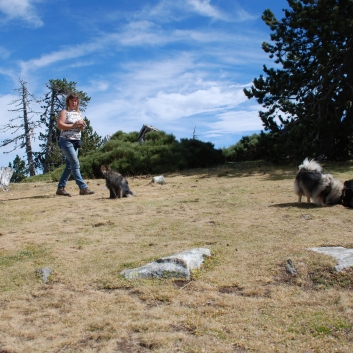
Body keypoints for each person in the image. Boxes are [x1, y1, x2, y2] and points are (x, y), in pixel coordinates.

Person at [56, 92, 94, 197]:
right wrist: (74, 125)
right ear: (68, 101)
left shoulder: (78, 113)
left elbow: (79, 128)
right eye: (72, 100)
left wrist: (82, 126)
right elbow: (60, 125)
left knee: (69, 166)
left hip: (76, 141)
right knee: (75, 163)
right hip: (66, 140)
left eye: (76, 101)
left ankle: (60, 188)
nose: (74, 102)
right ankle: (83, 188)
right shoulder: (64, 112)